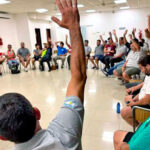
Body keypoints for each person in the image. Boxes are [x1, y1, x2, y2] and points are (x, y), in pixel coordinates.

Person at [0, 1, 86, 150]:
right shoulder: (65, 134)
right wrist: (74, 27)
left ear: (2, 138)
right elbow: (78, 77)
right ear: (37, 112)